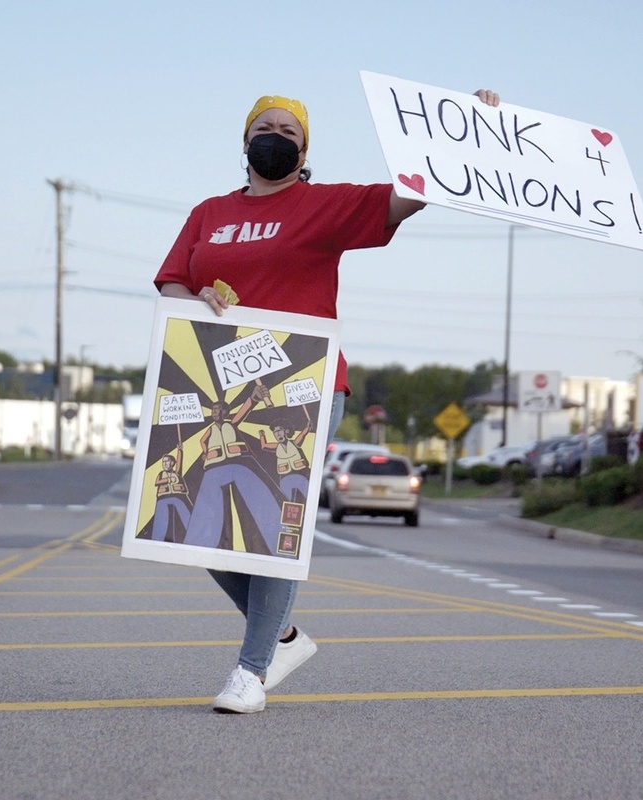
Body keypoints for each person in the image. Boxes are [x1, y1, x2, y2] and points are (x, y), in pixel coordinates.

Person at [154, 88, 500, 713]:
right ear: (244, 139)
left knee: (277, 523)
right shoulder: (209, 212)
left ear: (304, 147)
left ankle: (250, 673)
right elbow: (173, 280)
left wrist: (462, 131)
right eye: (265, 124)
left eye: (290, 128)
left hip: (304, 383)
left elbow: (406, 198)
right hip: (215, 384)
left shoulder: (325, 205)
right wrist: (195, 303)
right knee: (197, 526)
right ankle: (283, 638)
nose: (276, 133)